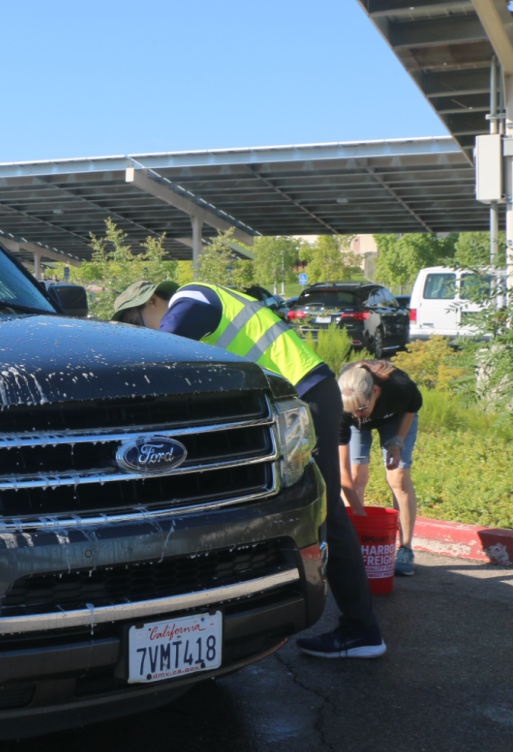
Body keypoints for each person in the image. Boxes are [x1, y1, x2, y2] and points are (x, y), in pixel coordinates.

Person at [110, 279, 385, 659]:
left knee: (327, 512)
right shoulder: (206, 307)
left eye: (135, 321)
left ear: (154, 300)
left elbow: (159, 353)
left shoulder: (191, 298)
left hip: (303, 395)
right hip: (295, 398)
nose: (140, 331)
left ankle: (361, 630)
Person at [338, 360, 422, 576]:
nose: (358, 414)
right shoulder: (342, 407)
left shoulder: (400, 387)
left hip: (395, 418)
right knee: (357, 476)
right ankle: (356, 546)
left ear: (376, 391)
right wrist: (359, 513)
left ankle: (405, 548)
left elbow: (410, 410)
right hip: (354, 428)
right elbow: (343, 474)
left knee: (398, 478)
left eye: (361, 408)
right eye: (352, 410)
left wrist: (397, 442)